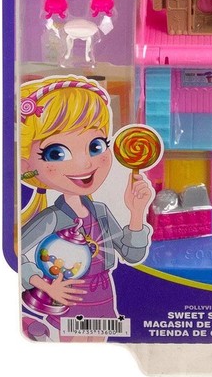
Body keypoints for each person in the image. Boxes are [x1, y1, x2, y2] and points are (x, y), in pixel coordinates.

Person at [20, 75, 154, 341]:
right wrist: (44, 286)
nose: (84, 163)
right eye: (57, 153)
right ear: (27, 166)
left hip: (103, 297)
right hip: (70, 298)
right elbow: (16, 252)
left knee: (100, 347)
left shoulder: (100, 212)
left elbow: (132, 255)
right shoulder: (52, 218)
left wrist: (137, 213)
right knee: (74, 350)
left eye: (96, 146)